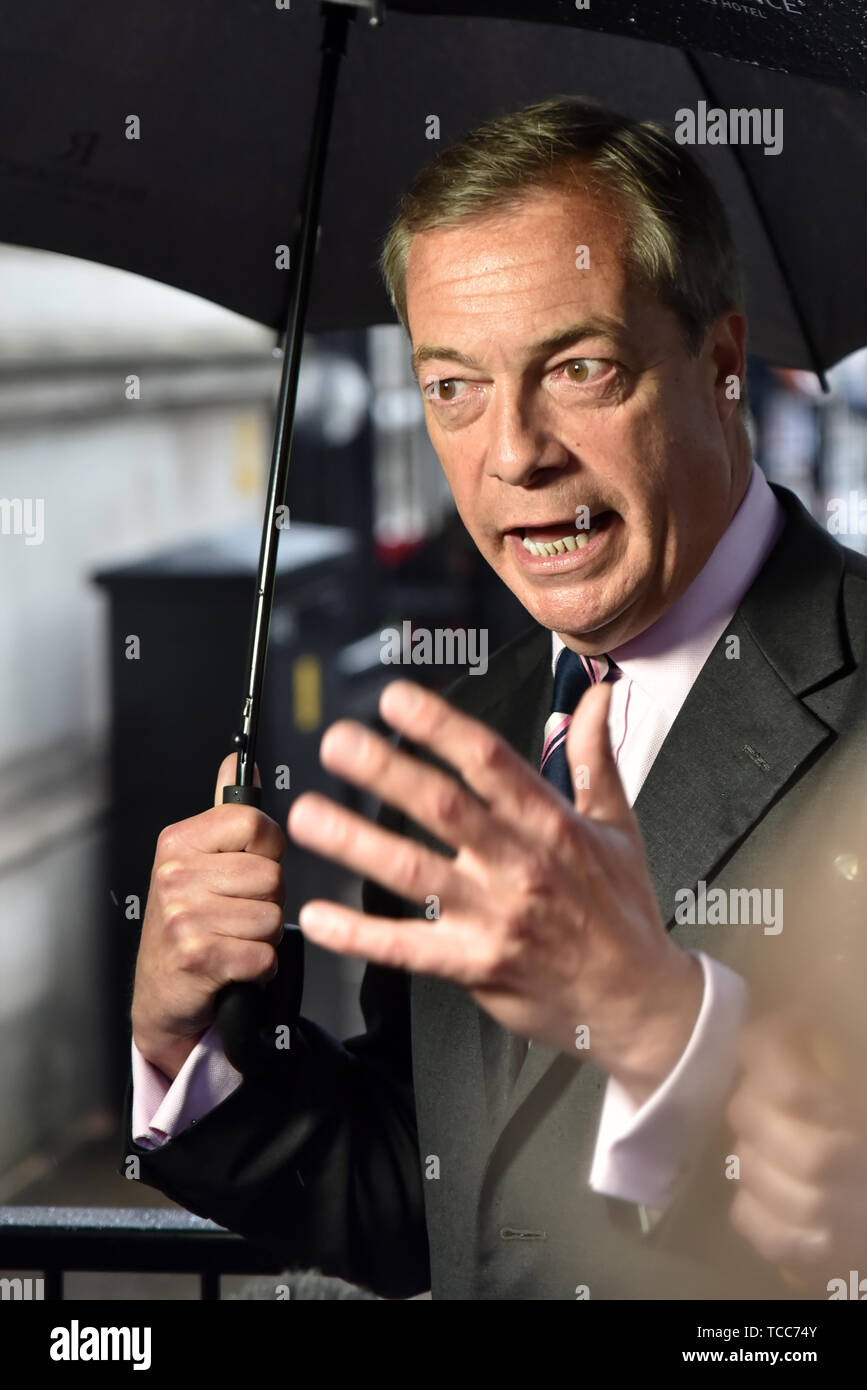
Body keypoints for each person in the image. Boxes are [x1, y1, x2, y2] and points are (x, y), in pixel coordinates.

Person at [123, 97, 867, 1300]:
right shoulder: (461, 735)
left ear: (723, 366)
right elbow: (431, 1200)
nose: (514, 451)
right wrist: (189, 1047)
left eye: (579, 368)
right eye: (454, 386)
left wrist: (670, 1033)